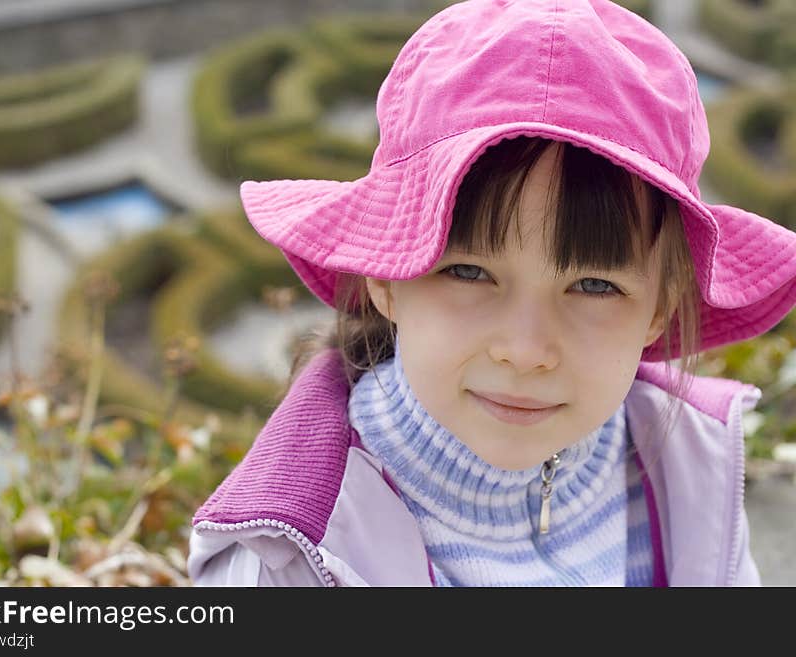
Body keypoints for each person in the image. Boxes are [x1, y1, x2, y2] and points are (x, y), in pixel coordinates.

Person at [187, 0, 796, 586]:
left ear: (659, 311)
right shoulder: (287, 558)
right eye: (471, 273)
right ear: (384, 275)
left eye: (593, 284)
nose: (526, 350)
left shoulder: (693, 473)